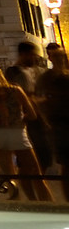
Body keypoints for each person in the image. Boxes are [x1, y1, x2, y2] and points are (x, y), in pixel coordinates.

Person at [0, 60, 50, 202]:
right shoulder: (15, 90)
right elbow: (33, 114)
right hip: (17, 133)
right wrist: (19, 118)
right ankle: (47, 205)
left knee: (10, 175)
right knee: (36, 174)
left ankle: (17, 206)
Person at [10, 40, 55, 175]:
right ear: (23, 54)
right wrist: (37, 99)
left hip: (40, 119)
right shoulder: (14, 72)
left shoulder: (36, 71)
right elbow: (17, 96)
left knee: (43, 158)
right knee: (30, 160)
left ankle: (38, 185)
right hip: (28, 120)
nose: (36, 58)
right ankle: (35, 187)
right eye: (33, 55)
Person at [40, 45, 69, 179]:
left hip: (59, 123)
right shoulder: (47, 77)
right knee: (65, 163)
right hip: (59, 124)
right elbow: (41, 99)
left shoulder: (48, 77)